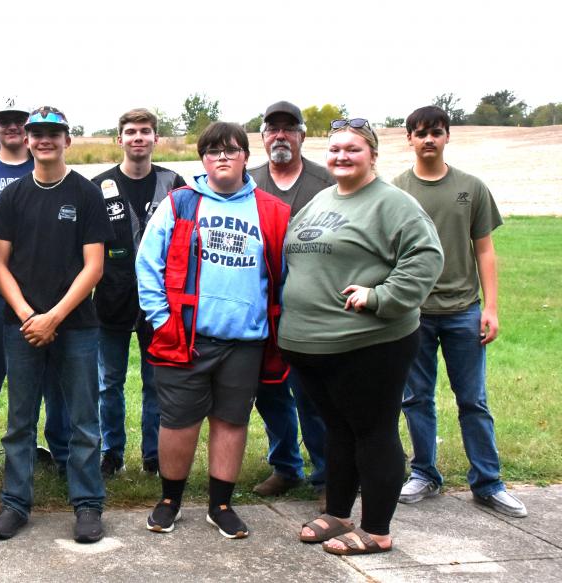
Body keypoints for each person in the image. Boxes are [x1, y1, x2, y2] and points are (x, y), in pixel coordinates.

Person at [282, 118, 443, 555]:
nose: (341, 156)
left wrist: (381, 296)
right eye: (334, 149)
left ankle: (376, 529)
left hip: (370, 343)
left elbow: (427, 257)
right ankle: (337, 513)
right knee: (339, 431)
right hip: (314, 344)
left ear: (372, 154)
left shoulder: (393, 203)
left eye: (352, 149)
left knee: (373, 432)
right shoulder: (320, 199)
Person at [136, 122, 289, 540]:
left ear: (245, 157)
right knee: (179, 422)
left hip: (245, 341)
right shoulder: (181, 203)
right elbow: (147, 265)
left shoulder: (271, 211)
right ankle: (170, 500)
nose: (222, 157)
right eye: (213, 151)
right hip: (187, 337)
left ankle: (220, 505)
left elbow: (285, 275)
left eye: (231, 150)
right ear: (203, 159)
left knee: (231, 421)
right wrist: (162, 318)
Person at [0, 106, 112, 543]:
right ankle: (15, 504)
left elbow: (94, 266)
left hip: (76, 326)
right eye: (37, 133)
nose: (44, 140)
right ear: (27, 139)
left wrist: (54, 316)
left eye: (53, 134)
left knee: (82, 419)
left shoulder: (85, 194)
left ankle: (88, 504)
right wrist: (27, 315)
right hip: (20, 326)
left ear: (67, 140)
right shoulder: (14, 196)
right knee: (20, 421)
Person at [394, 105, 526, 518]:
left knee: (473, 400)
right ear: (409, 139)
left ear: (447, 136)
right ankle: (424, 474)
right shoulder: (396, 191)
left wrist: (491, 308)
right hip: (414, 313)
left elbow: (484, 250)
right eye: (420, 133)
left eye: (436, 131)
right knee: (416, 398)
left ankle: (488, 482)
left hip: (463, 311)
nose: (428, 139)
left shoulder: (471, 187)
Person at [0, 98, 70, 495]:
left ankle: (62, 455)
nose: (11, 127)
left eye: (17, 121)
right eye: (4, 121)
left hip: (47, 296)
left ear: (28, 128)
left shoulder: (45, 166)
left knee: (55, 384)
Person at [90, 108, 186, 478]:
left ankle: (153, 455)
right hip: (111, 300)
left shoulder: (174, 182)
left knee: (155, 382)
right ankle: (112, 453)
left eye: (145, 131)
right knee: (108, 383)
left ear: (155, 138)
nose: (138, 138)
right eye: (131, 132)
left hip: (158, 302)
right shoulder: (99, 185)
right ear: (120, 139)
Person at [246, 101, 332, 501]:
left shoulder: (326, 181)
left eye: (289, 128)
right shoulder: (248, 182)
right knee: (270, 390)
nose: (280, 135)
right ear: (262, 137)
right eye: (272, 129)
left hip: (311, 303)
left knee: (312, 391)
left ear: (302, 135)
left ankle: (327, 473)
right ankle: (285, 466)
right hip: (261, 305)